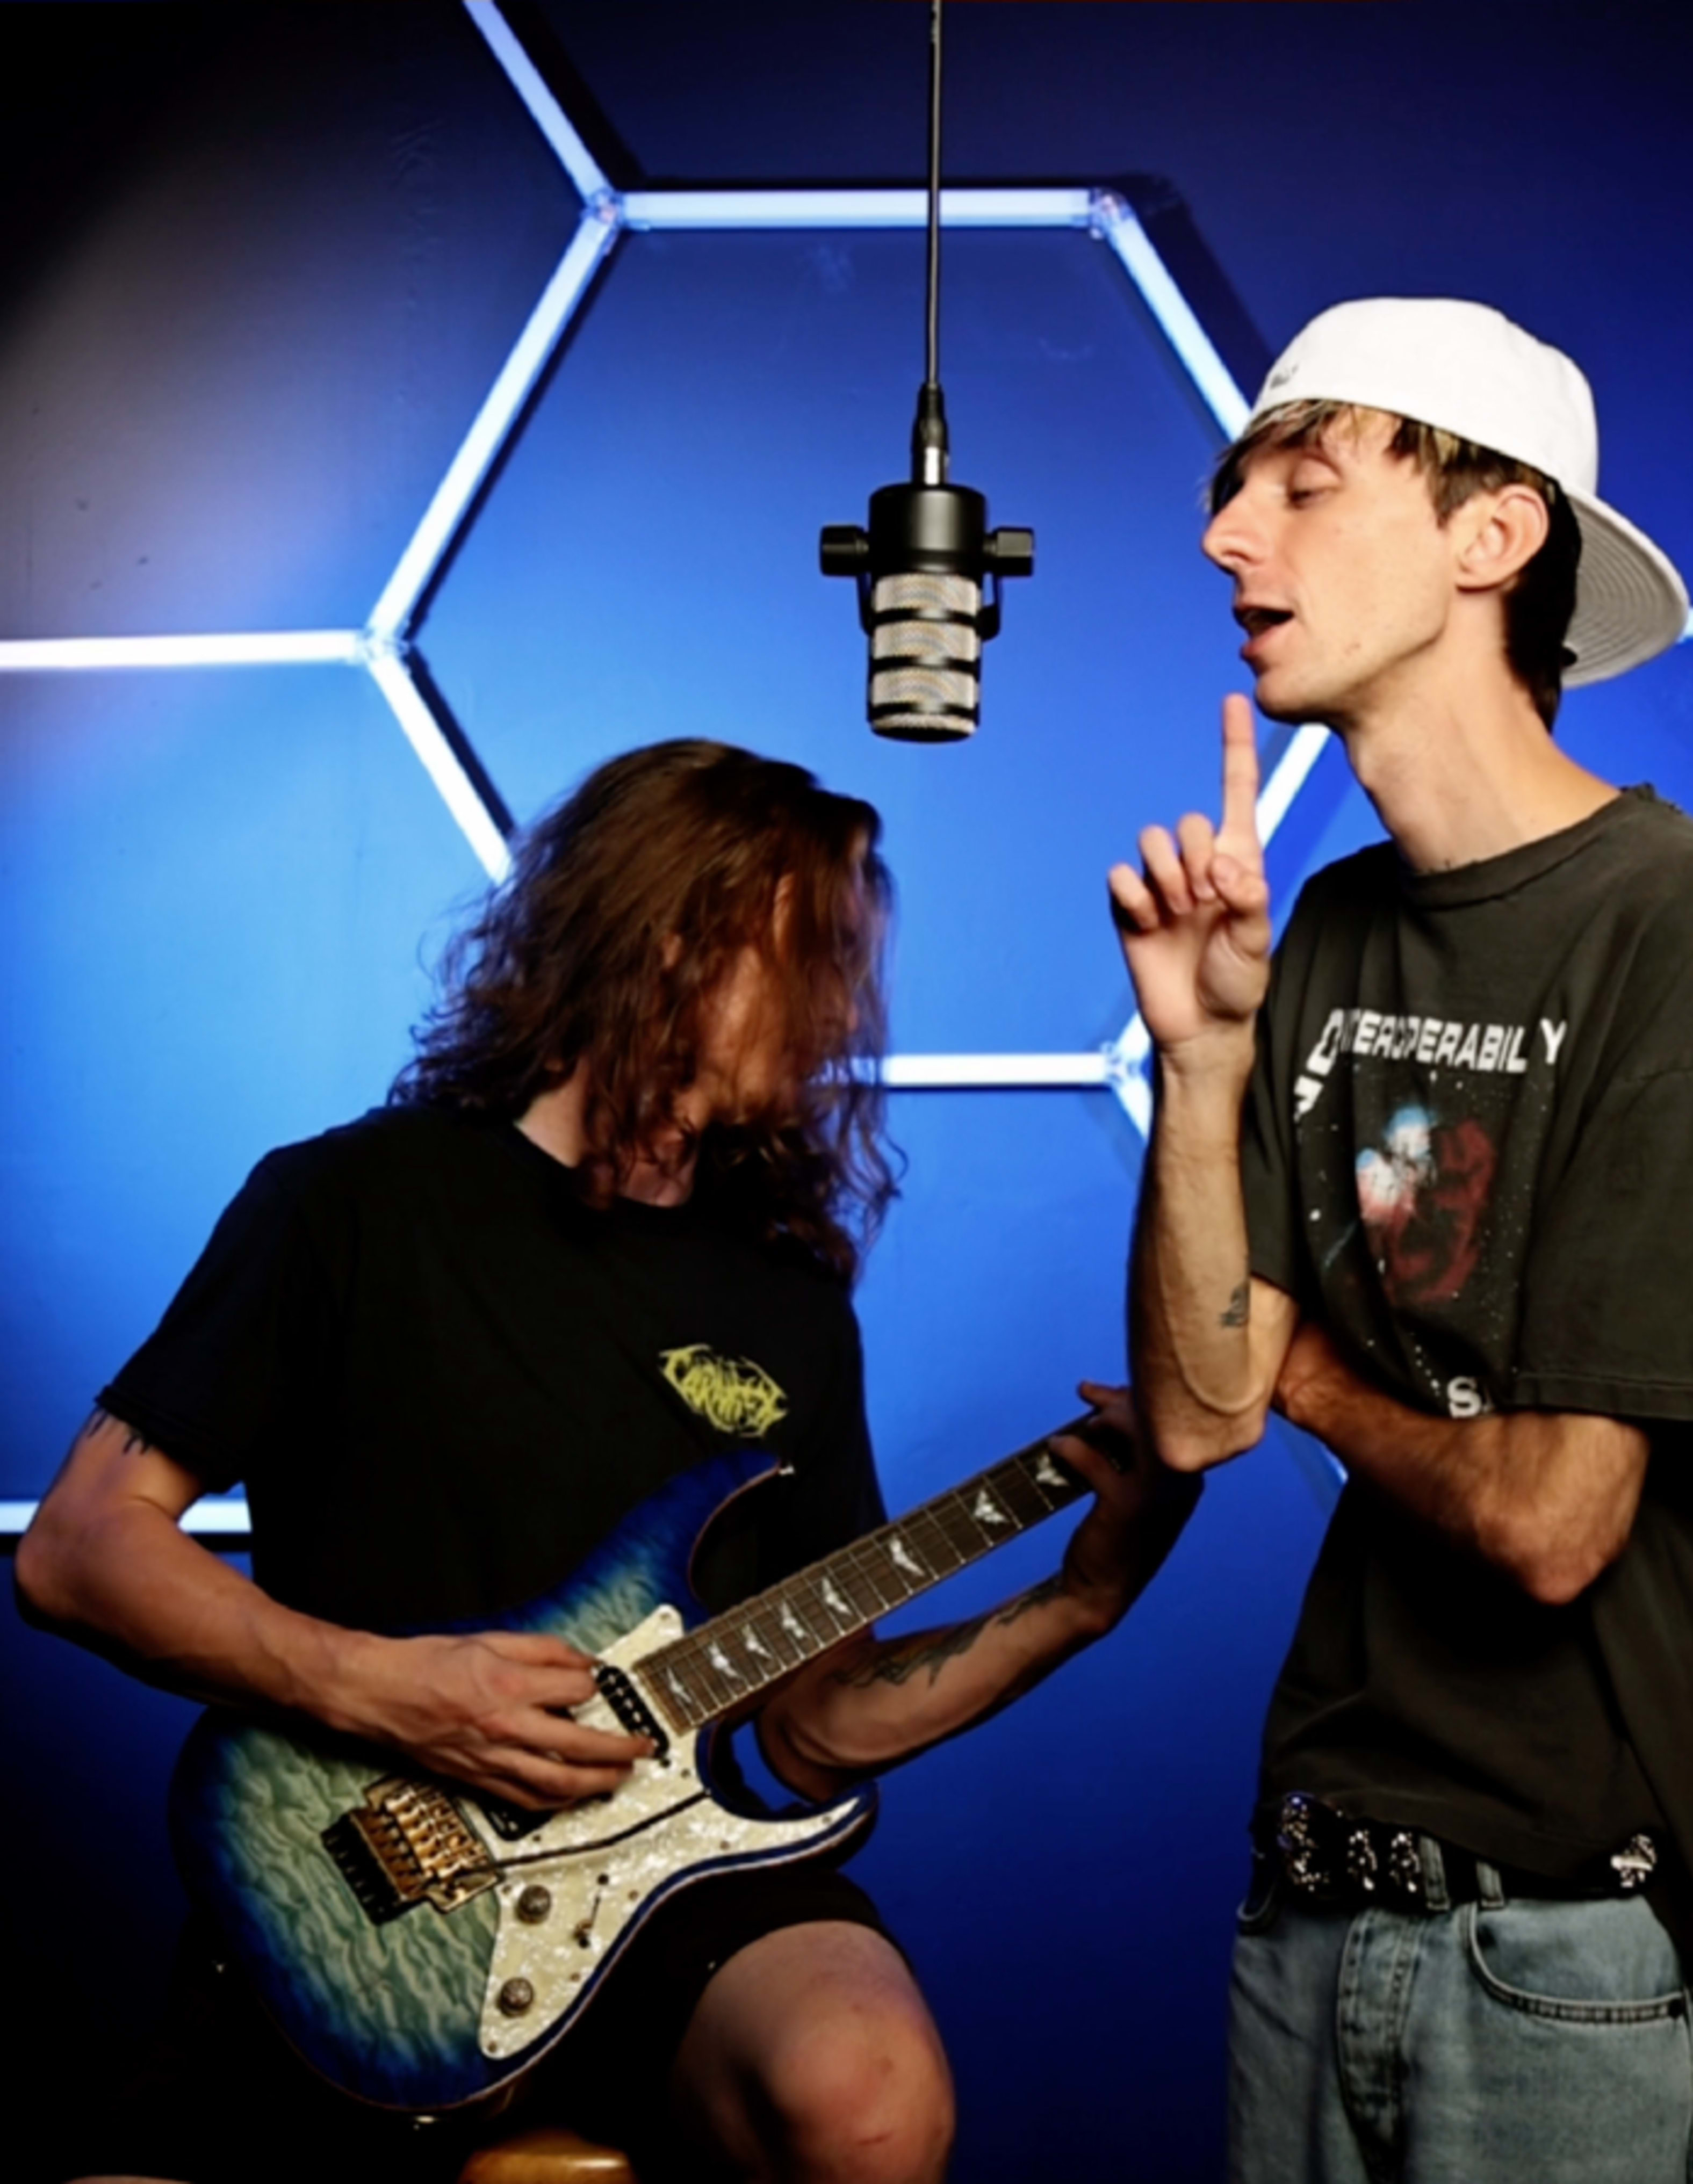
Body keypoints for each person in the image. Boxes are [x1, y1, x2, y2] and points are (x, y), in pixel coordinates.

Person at [20, 736, 1194, 2184]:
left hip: (666, 1895)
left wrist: (1076, 1602)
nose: (844, 1006)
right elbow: (78, 1548)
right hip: (360, 1874)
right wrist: (384, 1689)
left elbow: (816, 1724)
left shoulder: (790, 1307)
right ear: (668, 931)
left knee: (869, 2095)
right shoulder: (352, 1202)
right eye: (811, 952)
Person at [1111, 299, 1693, 2183]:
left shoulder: (1690, 932)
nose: (1226, 536)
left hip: (1567, 1954)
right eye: (1229, 492)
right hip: (1305, 1909)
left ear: (1491, 536)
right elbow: (1202, 1413)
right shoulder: (1327, 930)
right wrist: (1200, 1068)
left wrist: (1315, 1374)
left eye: (1302, 483)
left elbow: (1550, 1520)